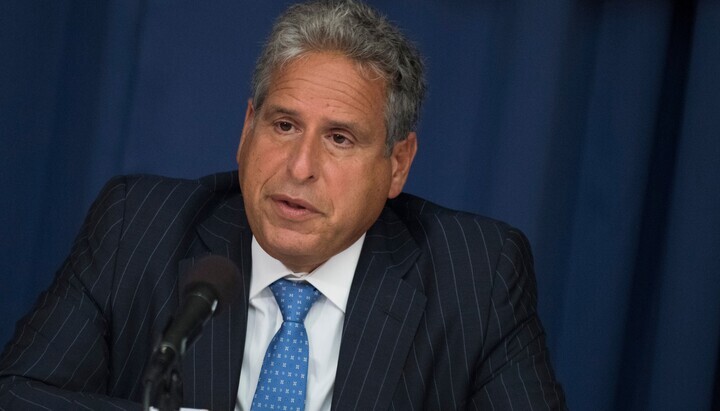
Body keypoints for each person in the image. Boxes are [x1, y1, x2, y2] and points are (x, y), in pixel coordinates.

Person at [0, 0, 566, 409]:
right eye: (284, 125)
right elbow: (20, 394)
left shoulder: (475, 275)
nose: (299, 167)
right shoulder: (140, 226)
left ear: (397, 163)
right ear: (247, 129)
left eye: (339, 138)